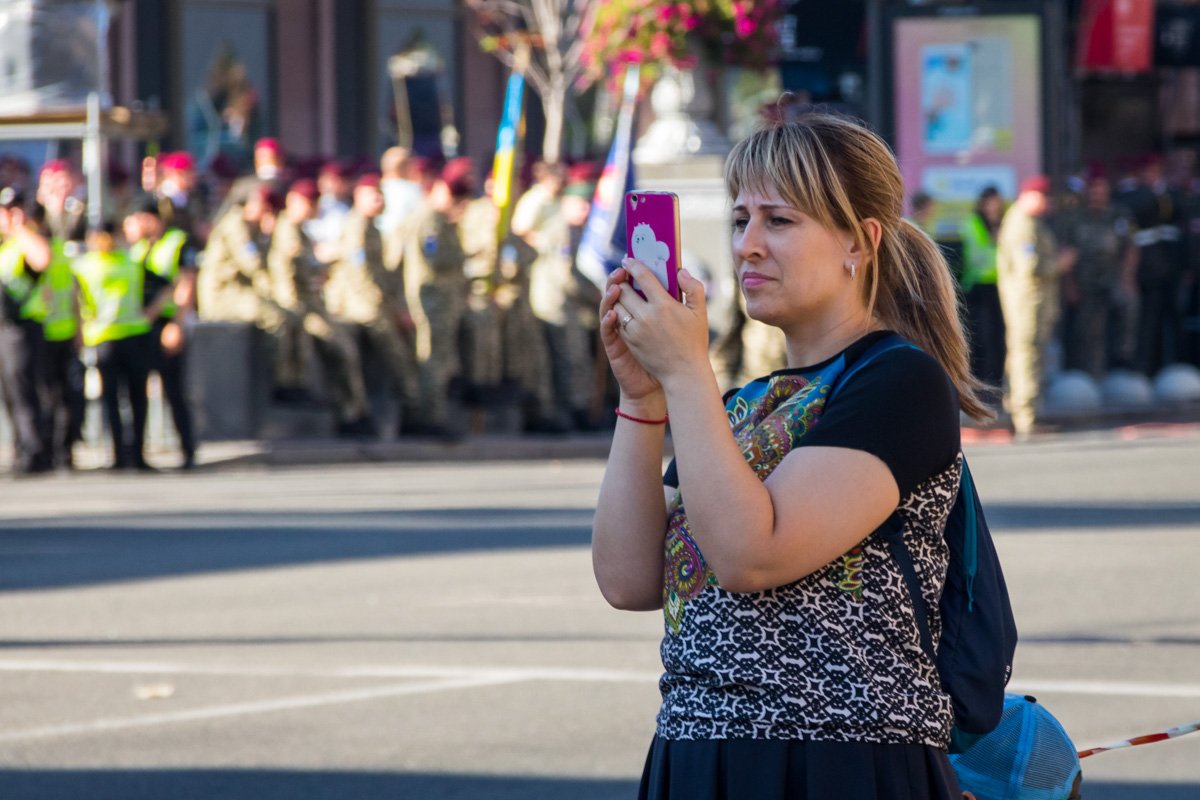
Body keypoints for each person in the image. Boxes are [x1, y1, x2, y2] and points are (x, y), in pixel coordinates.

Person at [593, 112, 990, 799]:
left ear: (859, 242)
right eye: (740, 219)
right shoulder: (740, 405)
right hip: (696, 755)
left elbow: (752, 555)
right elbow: (628, 580)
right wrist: (643, 397)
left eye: (778, 221)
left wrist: (685, 374)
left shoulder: (897, 380)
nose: (747, 245)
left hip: (838, 762)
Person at [267, 179, 374, 436]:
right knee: (341, 348)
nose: (313, 207)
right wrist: (296, 311)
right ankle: (349, 411)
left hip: (313, 305)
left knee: (345, 348)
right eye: (309, 202)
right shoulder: (287, 231)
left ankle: (354, 411)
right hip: (301, 308)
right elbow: (285, 279)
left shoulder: (301, 231)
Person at [324, 172, 421, 433]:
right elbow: (361, 275)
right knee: (395, 352)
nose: (379, 200)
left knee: (407, 343)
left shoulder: (372, 228)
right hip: (360, 305)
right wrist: (386, 308)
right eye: (372, 195)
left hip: (374, 302)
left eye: (381, 194)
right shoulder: (357, 227)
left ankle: (412, 409)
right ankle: (413, 410)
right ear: (358, 196)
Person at [73, 223, 159, 471]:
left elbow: (163, 285)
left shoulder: (129, 261)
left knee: (134, 398)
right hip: (106, 336)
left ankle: (135, 454)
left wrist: (150, 313)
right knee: (114, 398)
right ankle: (121, 454)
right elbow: (77, 300)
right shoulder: (87, 265)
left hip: (130, 333)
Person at [400, 157, 475, 439]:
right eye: (454, 196)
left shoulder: (441, 219)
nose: (457, 203)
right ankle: (429, 417)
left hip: (443, 301)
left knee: (441, 359)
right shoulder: (430, 219)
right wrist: (465, 255)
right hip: (430, 300)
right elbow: (437, 259)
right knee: (432, 359)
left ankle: (434, 415)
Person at [996, 176, 1074, 439]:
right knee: (1027, 354)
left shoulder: (1027, 222)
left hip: (1031, 302)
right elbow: (1029, 268)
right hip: (1027, 303)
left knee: (1024, 354)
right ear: (1029, 195)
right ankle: (1026, 418)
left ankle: (1018, 413)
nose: (1047, 202)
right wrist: (1060, 263)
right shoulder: (1023, 224)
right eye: (1043, 196)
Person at [125, 200, 199, 469]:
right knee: (137, 391)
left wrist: (177, 324)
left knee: (174, 390)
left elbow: (186, 281)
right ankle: (137, 454)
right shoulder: (139, 247)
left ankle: (187, 450)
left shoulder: (177, 242)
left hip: (166, 322)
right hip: (139, 326)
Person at [1057, 170, 1136, 379]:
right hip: (1086, 283)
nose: (1097, 195)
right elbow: (1066, 254)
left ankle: (1122, 366)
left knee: (1126, 313)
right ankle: (1091, 374)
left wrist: (1127, 277)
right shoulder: (1075, 218)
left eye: (1101, 190)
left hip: (1114, 278)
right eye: (1093, 191)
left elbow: (1130, 247)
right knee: (1089, 332)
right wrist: (1070, 285)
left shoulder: (1119, 214)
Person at [0, 188, 52, 474]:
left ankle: (35, 451)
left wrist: (19, 228)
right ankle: (21, 448)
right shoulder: (4, 246)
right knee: (9, 393)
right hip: (3, 327)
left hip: (23, 327)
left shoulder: (25, 241)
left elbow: (42, 259)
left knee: (24, 390)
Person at [958, 186, 1007, 403]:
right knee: (982, 338)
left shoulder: (1003, 224)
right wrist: (997, 243)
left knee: (998, 338)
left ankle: (996, 385)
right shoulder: (973, 224)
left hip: (1001, 287)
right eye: (991, 203)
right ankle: (981, 386)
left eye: (997, 203)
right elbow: (979, 258)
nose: (995, 207)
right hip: (979, 288)